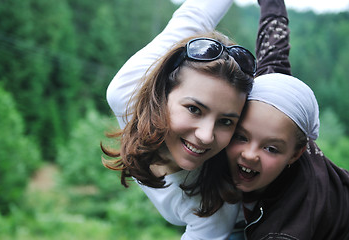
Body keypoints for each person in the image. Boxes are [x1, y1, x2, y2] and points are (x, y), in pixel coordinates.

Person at [102, 0, 256, 239]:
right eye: (194, 109)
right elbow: (195, 14)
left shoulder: (213, 203)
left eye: (226, 121)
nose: (206, 136)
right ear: (162, 93)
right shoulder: (126, 91)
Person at [196, 1, 349, 239]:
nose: (249, 154)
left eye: (270, 148)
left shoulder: (283, 229)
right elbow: (274, 43)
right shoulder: (272, 98)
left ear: (297, 153)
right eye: (240, 136)